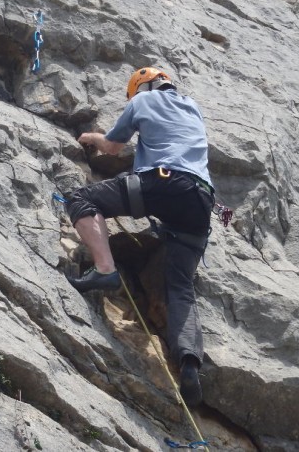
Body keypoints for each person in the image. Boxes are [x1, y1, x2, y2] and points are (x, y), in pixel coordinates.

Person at [65, 67, 214, 407]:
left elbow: (114, 148)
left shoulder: (143, 100)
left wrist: (91, 138)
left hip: (163, 182)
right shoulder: (192, 108)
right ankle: (189, 362)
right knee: (180, 285)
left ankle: (105, 270)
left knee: (81, 200)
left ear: (142, 87)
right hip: (200, 201)